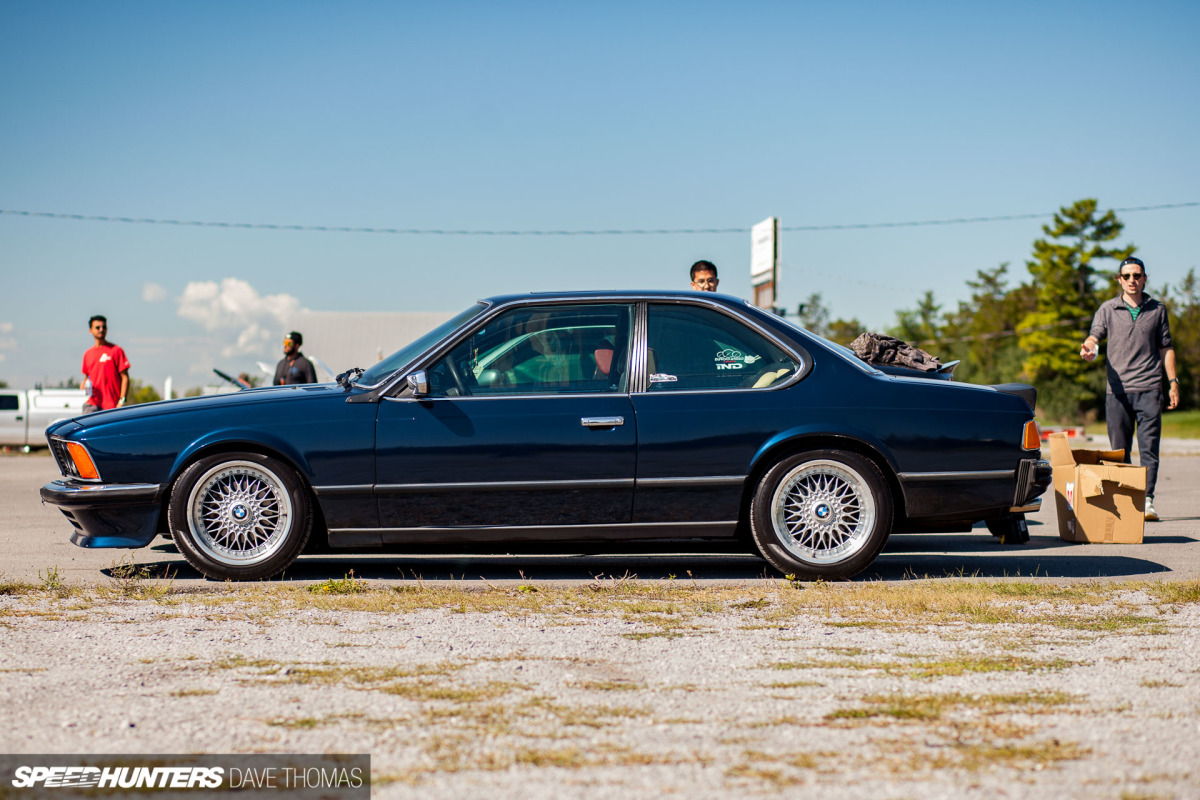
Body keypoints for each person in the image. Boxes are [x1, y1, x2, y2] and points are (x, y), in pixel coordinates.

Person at [1080, 256, 1180, 521]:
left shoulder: (1158, 309)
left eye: (1137, 276)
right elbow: (1095, 335)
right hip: (1118, 392)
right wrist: (1089, 348)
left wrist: (1173, 382)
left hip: (1149, 388)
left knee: (1149, 448)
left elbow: (1166, 347)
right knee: (1120, 450)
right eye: (1127, 276)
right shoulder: (1108, 309)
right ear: (1119, 280)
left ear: (1145, 278)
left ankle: (1146, 501)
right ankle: (1125, 502)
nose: (1132, 281)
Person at [81, 315, 131, 413]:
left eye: (104, 327)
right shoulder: (88, 354)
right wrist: (83, 384)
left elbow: (125, 378)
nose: (101, 330)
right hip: (92, 405)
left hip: (112, 407)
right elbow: (87, 377)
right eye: (97, 327)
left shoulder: (116, 350)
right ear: (90, 330)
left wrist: (122, 401)